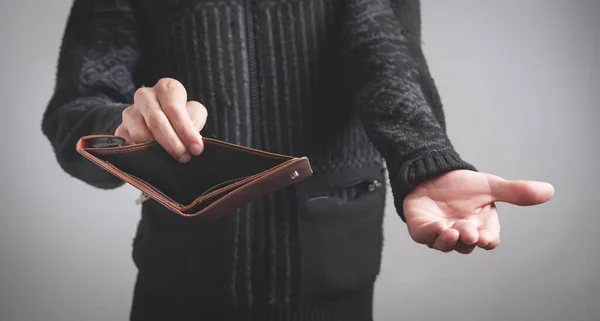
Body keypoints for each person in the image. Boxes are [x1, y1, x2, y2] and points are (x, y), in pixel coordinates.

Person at [41, 0, 554, 320]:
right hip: (178, 284)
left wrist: (427, 159)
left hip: (334, 285)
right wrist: (125, 130)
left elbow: (383, 57)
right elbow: (76, 108)